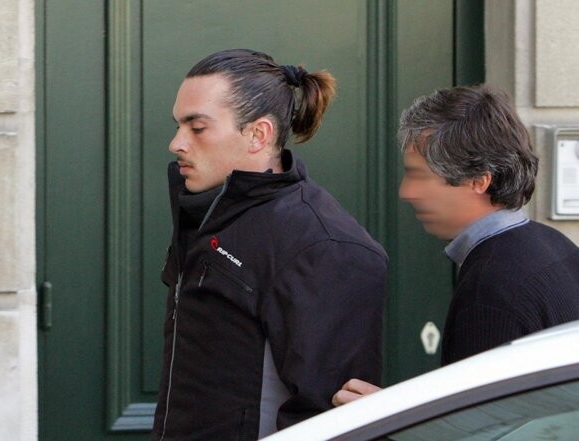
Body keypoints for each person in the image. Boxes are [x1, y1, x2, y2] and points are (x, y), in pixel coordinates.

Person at [151, 48, 388, 440]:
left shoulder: (322, 244)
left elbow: (327, 420)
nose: (176, 143)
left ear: (258, 134)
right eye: (179, 125)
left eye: (197, 127)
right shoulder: (209, 211)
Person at [333, 83, 579, 406]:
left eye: (419, 175)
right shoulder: (554, 245)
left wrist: (385, 420)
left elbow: (481, 429)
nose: (406, 192)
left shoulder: (492, 287)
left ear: (479, 180)